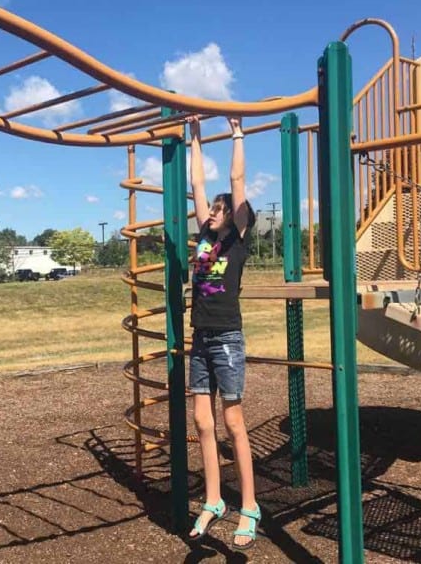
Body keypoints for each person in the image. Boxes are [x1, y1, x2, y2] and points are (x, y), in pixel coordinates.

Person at [185, 115, 260, 551]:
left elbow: (236, 177)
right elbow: (197, 184)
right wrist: (195, 136)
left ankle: (248, 506)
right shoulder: (204, 237)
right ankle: (213, 499)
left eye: (219, 210)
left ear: (233, 219)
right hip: (201, 337)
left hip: (227, 337)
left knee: (232, 422)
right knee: (201, 420)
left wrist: (236, 132)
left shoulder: (237, 241)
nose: (211, 213)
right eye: (211, 209)